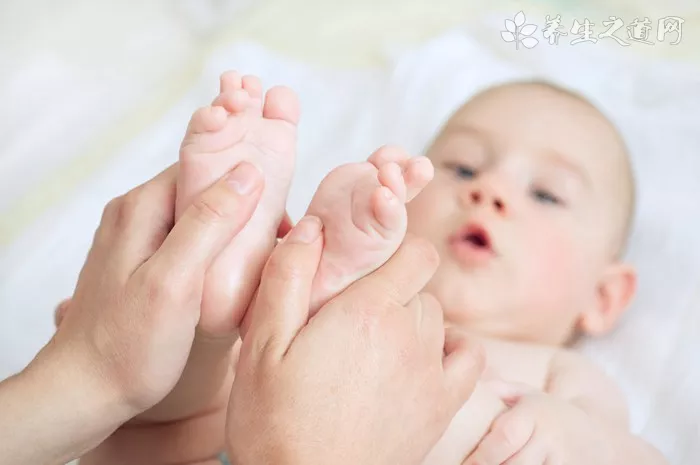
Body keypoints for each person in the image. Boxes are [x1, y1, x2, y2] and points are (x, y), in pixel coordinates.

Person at [0, 155, 484, 464]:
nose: (487, 191)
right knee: (172, 415)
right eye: (463, 168)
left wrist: (559, 425)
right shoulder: (275, 368)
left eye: (548, 195)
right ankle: (208, 327)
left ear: (567, 319)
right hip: (230, 429)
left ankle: (212, 319)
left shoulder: (554, 372)